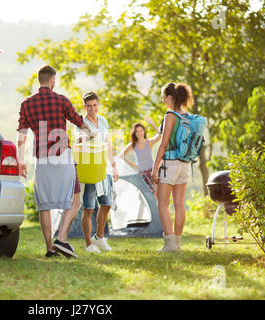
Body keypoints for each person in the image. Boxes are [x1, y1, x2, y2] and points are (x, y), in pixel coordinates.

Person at [17, 65, 90, 258]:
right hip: (62, 156)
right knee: (74, 199)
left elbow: (22, 135)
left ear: (40, 80)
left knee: (45, 204)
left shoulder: (26, 104)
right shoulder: (61, 100)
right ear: (52, 80)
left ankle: (50, 249)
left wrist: (20, 159)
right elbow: (78, 121)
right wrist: (90, 132)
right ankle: (62, 238)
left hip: (42, 159)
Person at [151, 82, 194, 252]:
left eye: (163, 96)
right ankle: (177, 243)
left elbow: (163, 145)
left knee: (162, 204)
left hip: (169, 164)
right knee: (179, 205)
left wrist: (155, 168)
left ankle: (169, 245)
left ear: (170, 97)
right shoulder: (187, 115)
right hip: (184, 164)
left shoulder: (170, 115)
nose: (162, 100)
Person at [75, 91, 119, 253]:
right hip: (90, 167)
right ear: (84, 106)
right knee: (89, 207)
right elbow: (77, 141)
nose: (92, 109)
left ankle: (99, 237)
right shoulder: (81, 122)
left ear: (98, 105)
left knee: (107, 203)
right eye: (89, 106)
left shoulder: (103, 121)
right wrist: (88, 136)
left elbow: (108, 143)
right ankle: (89, 244)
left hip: (104, 167)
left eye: (95, 105)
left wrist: (114, 166)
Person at [118, 118, 161, 195]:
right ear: (134, 133)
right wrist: (132, 165)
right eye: (137, 131)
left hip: (152, 173)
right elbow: (120, 156)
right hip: (142, 175)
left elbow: (160, 135)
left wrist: (152, 123)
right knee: (143, 198)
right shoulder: (133, 145)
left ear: (144, 131)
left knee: (156, 196)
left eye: (141, 131)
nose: (139, 133)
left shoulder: (149, 142)